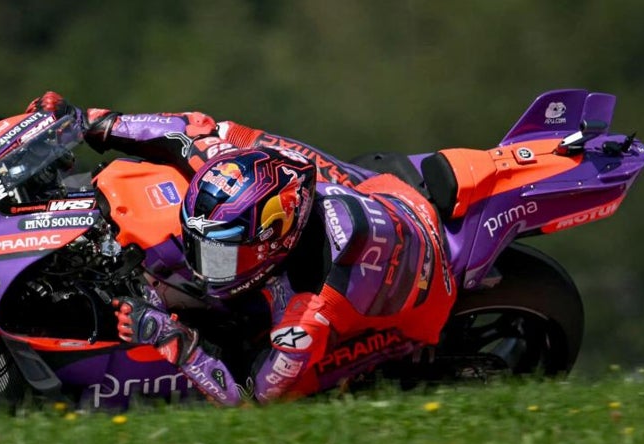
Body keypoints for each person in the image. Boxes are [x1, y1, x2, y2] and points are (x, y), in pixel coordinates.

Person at [26, 91, 457, 406]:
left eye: (221, 252)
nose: (202, 265)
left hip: (412, 304)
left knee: (291, 395)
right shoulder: (258, 177)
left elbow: (249, 402)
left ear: (272, 242)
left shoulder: (304, 313)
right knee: (229, 133)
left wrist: (170, 336)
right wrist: (86, 122)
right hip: (382, 194)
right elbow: (187, 131)